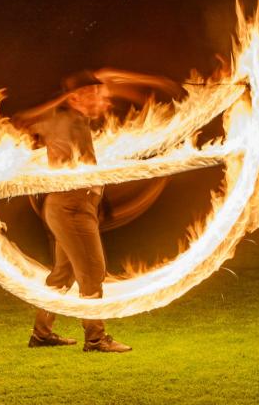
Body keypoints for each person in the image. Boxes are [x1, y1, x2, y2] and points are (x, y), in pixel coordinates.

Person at [13, 68, 180, 353]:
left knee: (62, 276)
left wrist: (98, 199)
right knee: (92, 271)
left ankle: (41, 334)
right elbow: (21, 119)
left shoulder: (80, 120)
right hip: (69, 207)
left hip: (80, 206)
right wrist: (65, 96)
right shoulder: (58, 117)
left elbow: (88, 163)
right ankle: (95, 338)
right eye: (92, 94)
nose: (100, 99)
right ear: (75, 97)